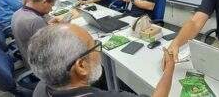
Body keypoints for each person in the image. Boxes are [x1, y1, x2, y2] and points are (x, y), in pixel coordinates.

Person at [28, 23, 175, 97]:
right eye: (94, 47)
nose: (99, 53)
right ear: (81, 66)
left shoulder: (40, 89)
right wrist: (169, 69)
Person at [11, 0, 59, 64]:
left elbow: (32, 33)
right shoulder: (35, 20)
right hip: (41, 65)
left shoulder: (18, 12)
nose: (51, 9)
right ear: (44, 2)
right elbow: (52, 48)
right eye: (51, 5)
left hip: (27, 57)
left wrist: (46, 25)